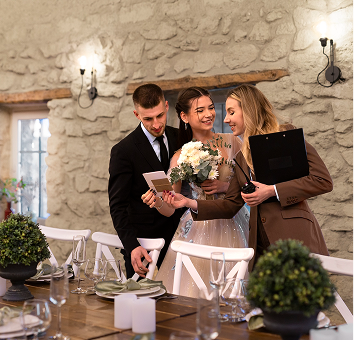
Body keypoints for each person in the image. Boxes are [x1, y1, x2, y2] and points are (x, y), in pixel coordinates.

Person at [163, 84, 332, 271]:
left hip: (294, 237)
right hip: (259, 245)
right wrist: (187, 202)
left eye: (231, 112)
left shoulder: (283, 134)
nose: (225, 119)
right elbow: (229, 205)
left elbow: (321, 180)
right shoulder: (241, 156)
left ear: (248, 110)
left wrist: (271, 191)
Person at [142, 87, 249, 297]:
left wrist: (227, 187)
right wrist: (157, 201)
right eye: (200, 110)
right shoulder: (180, 156)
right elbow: (170, 207)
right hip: (197, 229)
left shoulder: (232, 142)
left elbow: (251, 183)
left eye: (210, 108)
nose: (208, 114)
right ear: (184, 116)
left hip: (234, 220)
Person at [108, 83, 184, 278]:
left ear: (166, 106)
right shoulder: (123, 151)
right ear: (136, 115)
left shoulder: (181, 137)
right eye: (148, 119)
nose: (156, 124)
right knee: (141, 304)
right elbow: (118, 206)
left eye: (160, 116)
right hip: (143, 243)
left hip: (182, 238)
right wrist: (132, 245)